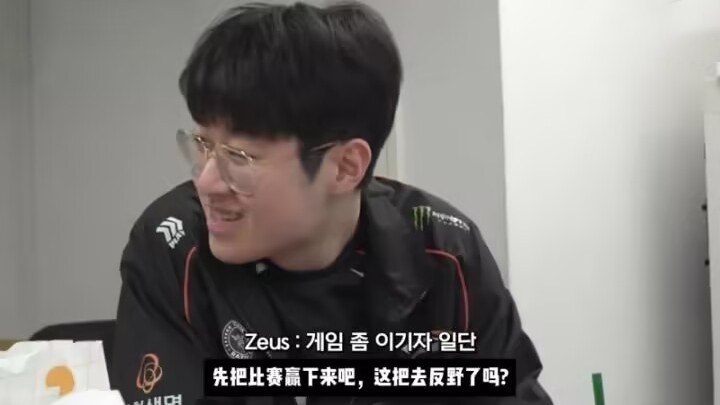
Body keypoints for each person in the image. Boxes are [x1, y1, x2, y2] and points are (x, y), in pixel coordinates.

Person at [110, 2, 553, 405]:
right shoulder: (174, 248)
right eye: (203, 145)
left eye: (239, 158)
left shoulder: (443, 253)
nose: (206, 181)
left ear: (345, 167)